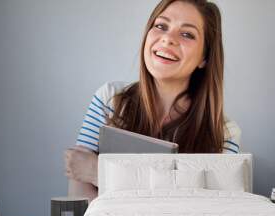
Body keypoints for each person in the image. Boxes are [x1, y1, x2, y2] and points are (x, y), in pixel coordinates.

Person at [64, 0, 241, 201]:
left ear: (204, 58)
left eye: (187, 34)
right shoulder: (109, 99)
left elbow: (210, 212)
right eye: (161, 26)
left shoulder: (224, 133)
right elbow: (78, 181)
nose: (167, 38)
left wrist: (100, 174)